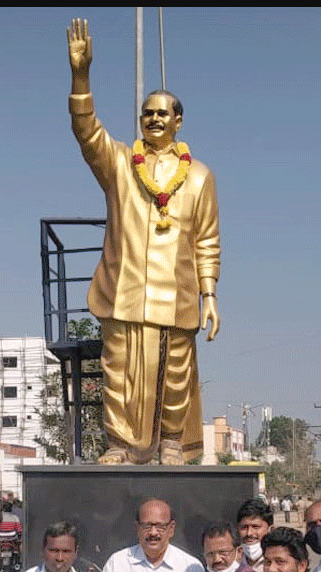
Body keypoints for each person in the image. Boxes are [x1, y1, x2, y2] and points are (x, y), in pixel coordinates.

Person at [66, 18, 221, 465]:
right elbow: (86, 131)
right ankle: (119, 445)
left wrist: (209, 293)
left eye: (162, 112)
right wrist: (81, 75)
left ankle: (172, 443)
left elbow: (208, 238)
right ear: (140, 120)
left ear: (178, 121)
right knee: (120, 374)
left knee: (174, 376)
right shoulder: (118, 163)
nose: (154, 118)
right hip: (124, 288)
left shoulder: (199, 176)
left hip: (179, 291)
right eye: (147, 112)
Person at [236, 497, 273, 572]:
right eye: (244, 527)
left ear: (270, 529)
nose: (249, 533)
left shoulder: (277, 566)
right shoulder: (232, 564)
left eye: (256, 527)